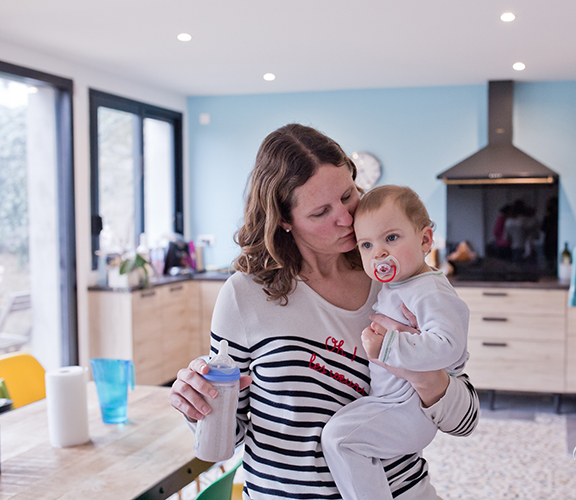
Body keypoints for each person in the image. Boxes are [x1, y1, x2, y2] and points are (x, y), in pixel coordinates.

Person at [168, 124, 479, 500]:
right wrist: (197, 403)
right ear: (284, 219)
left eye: (349, 195)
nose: (347, 219)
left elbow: (465, 420)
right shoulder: (245, 296)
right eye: (321, 212)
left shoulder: (394, 275)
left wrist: (427, 378)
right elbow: (226, 437)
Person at [321, 186, 470, 500]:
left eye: (391, 238)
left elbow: (449, 345)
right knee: (339, 434)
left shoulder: (430, 290)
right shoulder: (402, 285)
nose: (379, 253)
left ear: (425, 240)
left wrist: (389, 348)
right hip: (390, 402)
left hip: (409, 409)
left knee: (339, 438)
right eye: (366, 244)